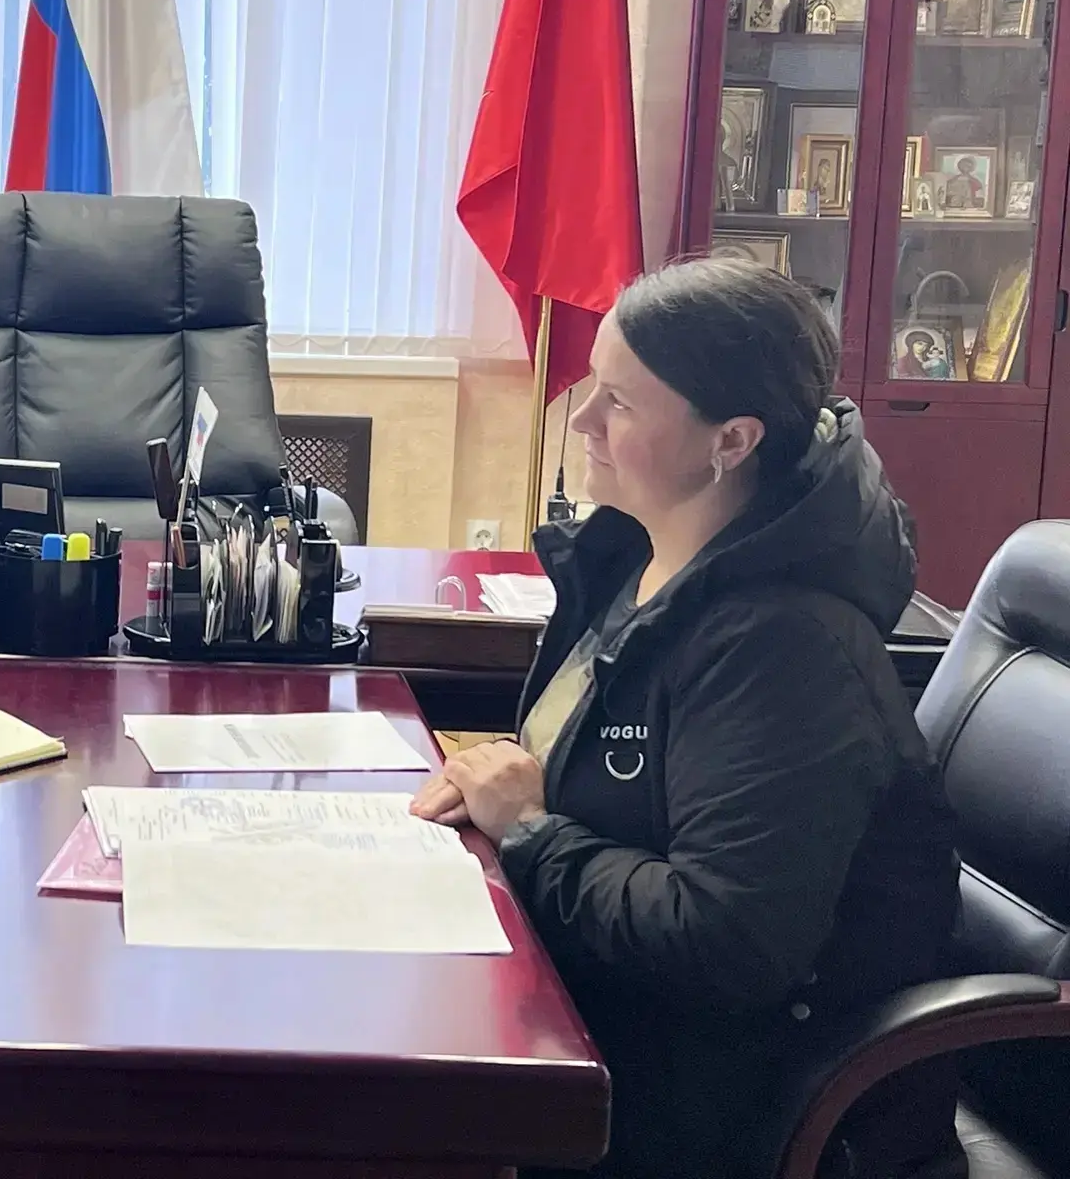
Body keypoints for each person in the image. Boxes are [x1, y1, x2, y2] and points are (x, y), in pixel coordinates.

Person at [411, 259, 959, 1179]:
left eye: (619, 402)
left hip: (725, 1100)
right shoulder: (640, 562)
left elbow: (725, 941)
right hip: (599, 1011)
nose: (581, 419)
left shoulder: (781, 649)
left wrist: (531, 830)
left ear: (731, 441)